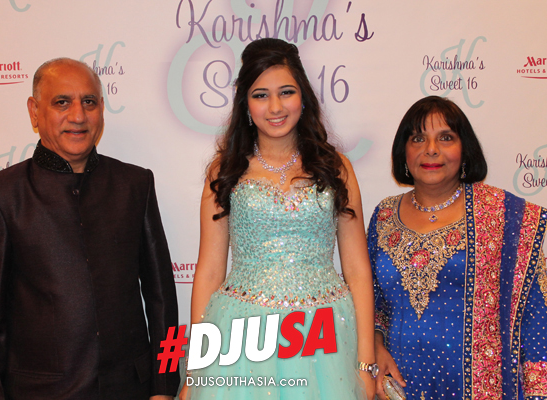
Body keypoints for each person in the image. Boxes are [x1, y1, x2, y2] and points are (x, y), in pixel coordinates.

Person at [0, 58, 180, 400]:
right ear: (34, 112)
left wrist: (165, 386)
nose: (78, 115)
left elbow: (163, 300)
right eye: (62, 102)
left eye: (88, 102)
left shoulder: (135, 184)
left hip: (132, 390)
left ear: (101, 109)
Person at [179, 38, 376, 400]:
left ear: (304, 96)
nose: (275, 107)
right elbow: (208, 272)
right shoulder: (225, 172)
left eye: (286, 92)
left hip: (324, 334)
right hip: (243, 333)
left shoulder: (336, 169)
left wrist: (365, 363)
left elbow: (358, 270)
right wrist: (195, 368)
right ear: (245, 103)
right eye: (260, 95)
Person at [369, 96, 547, 399]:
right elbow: (372, 301)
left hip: (479, 387)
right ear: (403, 152)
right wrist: (375, 347)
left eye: (446, 137)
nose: (431, 149)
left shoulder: (502, 215)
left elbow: (535, 313)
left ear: (464, 149)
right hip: (399, 383)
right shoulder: (385, 215)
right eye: (418, 138)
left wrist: (537, 392)